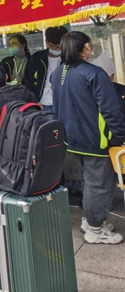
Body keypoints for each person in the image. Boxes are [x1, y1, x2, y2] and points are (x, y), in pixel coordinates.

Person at [52, 31, 125, 244]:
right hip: (95, 139)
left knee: (90, 181)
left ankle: (91, 220)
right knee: (99, 183)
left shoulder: (58, 73)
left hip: (71, 137)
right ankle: (95, 228)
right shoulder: (94, 73)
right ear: (86, 47)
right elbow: (110, 110)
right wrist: (121, 133)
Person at [24, 26, 68, 111]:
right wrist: (34, 101)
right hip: (42, 103)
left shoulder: (69, 58)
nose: (57, 49)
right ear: (47, 42)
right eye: (54, 47)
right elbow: (29, 81)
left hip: (64, 104)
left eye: (60, 47)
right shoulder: (37, 58)